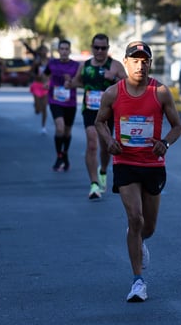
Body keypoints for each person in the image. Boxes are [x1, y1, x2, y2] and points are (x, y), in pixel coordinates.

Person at [95, 41, 181, 303]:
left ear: (150, 64)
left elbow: (177, 127)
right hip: (125, 163)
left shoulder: (161, 92)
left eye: (145, 60)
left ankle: (138, 239)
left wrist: (164, 143)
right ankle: (138, 281)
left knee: (149, 226)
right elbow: (99, 122)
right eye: (135, 60)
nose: (140, 64)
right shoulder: (113, 93)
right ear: (126, 62)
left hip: (153, 165)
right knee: (135, 217)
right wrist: (109, 141)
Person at [71, 34, 126, 200]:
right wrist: (72, 84)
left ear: (108, 48)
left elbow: (128, 83)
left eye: (103, 48)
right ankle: (94, 184)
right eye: (97, 48)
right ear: (92, 47)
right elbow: (76, 82)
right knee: (92, 143)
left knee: (105, 146)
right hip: (89, 109)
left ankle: (103, 170)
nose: (100, 51)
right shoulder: (85, 65)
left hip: (108, 111)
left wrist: (114, 77)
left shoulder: (115, 65)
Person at [45, 39, 81, 172]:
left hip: (70, 102)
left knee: (67, 131)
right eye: (62, 49)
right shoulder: (52, 63)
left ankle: (65, 154)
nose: (64, 51)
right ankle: (59, 155)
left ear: (70, 51)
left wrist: (71, 81)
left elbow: (80, 82)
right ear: (58, 50)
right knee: (59, 128)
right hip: (55, 100)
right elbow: (45, 75)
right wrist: (46, 83)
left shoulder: (76, 66)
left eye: (67, 49)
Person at [29, 45, 50, 133]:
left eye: (45, 50)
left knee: (44, 107)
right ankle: (36, 106)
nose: (44, 52)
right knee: (38, 110)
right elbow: (31, 72)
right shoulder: (37, 61)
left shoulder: (50, 62)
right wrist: (36, 76)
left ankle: (43, 127)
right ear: (40, 52)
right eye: (42, 51)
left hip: (46, 85)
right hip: (37, 85)